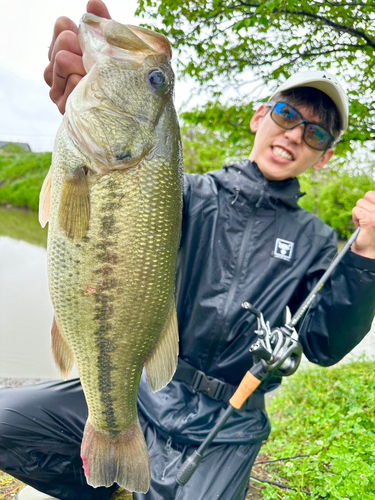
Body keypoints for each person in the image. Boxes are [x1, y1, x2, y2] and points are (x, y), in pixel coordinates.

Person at [2, 1, 375, 499]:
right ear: (259, 116)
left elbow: (326, 343)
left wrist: (366, 256)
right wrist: (86, 114)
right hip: (146, 390)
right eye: (287, 113)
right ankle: (103, 480)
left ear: (325, 157)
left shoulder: (315, 241)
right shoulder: (188, 195)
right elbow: (116, 201)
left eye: (316, 132)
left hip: (229, 424)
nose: (294, 134)